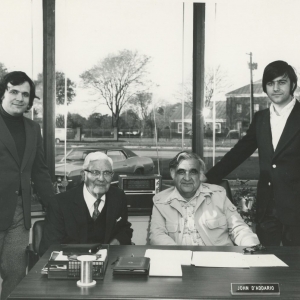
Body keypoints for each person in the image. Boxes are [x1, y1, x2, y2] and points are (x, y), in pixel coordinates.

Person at [206, 60, 300, 246]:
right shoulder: (261, 119)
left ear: (293, 85)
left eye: (282, 82)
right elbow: (239, 152)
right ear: (265, 87)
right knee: (267, 269)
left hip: (296, 210)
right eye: (270, 83)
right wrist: (208, 177)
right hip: (267, 210)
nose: (276, 88)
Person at [0, 71, 54, 300]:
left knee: (15, 274)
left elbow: (39, 171)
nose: (19, 98)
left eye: (25, 94)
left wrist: (54, 205)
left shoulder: (34, 129)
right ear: (3, 92)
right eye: (13, 91)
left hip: (19, 215)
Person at [149, 151, 259, 246]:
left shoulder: (218, 196)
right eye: (181, 172)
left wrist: (252, 245)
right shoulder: (160, 202)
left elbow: (238, 229)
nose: (187, 178)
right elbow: (157, 236)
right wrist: (180, 255)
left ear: (201, 175)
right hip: (179, 261)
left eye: (193, 172)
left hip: (217, 262)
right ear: (173, 174)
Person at [39, 152, 133, 256]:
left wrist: (111, 246)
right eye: (95, 172)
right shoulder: (60, 203)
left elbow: (125, 230)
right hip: (72, 266)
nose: (101, 179)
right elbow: (49, 248)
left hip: (108, 263)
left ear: (112, 176)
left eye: (106, 173)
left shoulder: (118, 197)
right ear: (84, 175)